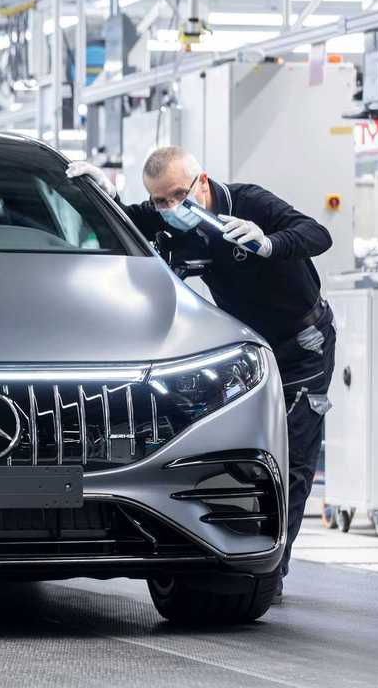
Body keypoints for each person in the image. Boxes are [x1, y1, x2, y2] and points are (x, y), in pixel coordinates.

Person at [69, 147, 335, 599]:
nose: (171, 208)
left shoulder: (249, 202)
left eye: (179, 195)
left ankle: (272, 572)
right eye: (160, 201)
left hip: (302, 344)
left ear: (203, 182)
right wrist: (101, 194)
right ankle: (240, 549)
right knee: (246, 453)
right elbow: (125, 221)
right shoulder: (167, 218)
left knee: (294, 455)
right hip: (249, 347)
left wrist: (270, 242)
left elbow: (317, 233)